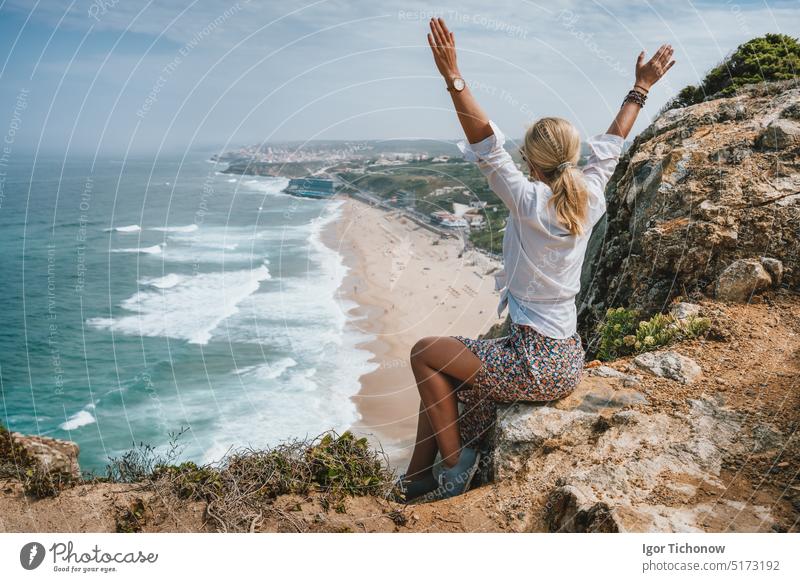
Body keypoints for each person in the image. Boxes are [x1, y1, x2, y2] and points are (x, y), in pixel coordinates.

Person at [396, 17, 676, 502]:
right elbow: (613, 141)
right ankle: (416, 480)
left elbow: (485, 143)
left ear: (531, 161)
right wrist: (642, 86)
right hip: (566, 356)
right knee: (441, 379)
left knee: (424, 352)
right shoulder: (587, 193)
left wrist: (452, 76)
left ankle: (454, 465)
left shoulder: (527, 201)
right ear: (571, 156)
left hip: (533, 360)